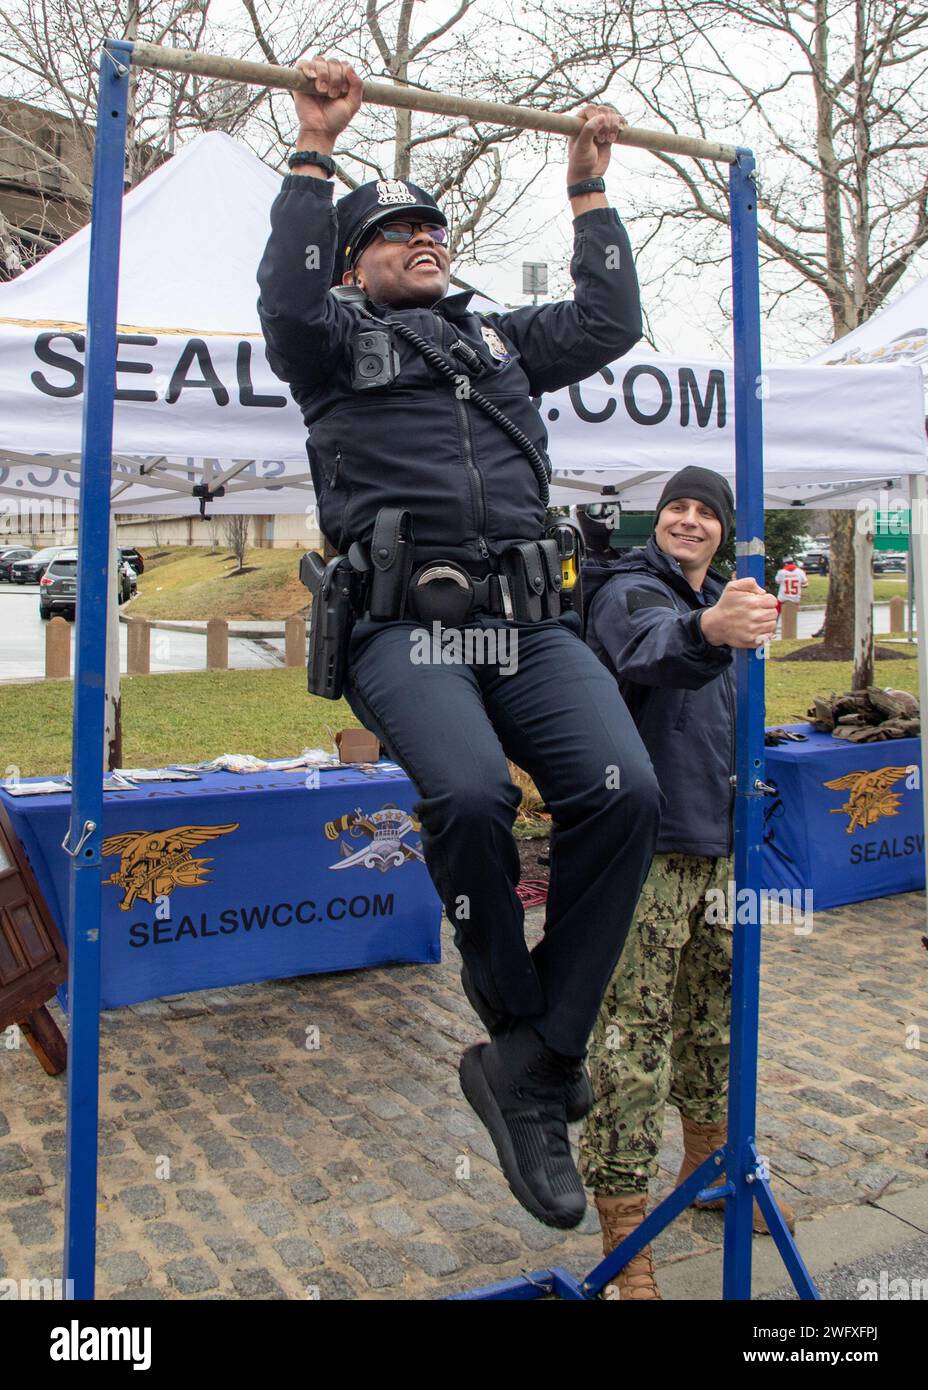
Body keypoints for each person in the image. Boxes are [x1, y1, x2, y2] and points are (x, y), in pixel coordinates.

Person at [256, 55, 662, 1231]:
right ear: (352, 264)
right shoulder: (327, 343)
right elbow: (284, 297)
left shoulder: (497, 345)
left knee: (622, 791)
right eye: (391, 233)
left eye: (431, 227)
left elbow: (608, 317)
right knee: (477, 799)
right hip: (407, 628)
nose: (421, 238)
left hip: (530, 624)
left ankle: (536, 1059)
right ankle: (519, 1021)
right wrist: (313, 149)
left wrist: (587, 191)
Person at [576, 467, 794, 1299]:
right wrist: (711, 624)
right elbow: (654, 647)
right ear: (655, 521)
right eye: (678, 508)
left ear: (726, 529)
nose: (690, 521)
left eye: (707, 512)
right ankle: (627, 1239)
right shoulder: (628, 590)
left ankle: (708, 1173)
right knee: (632, 1039)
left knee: (718, 1023)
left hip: (725, 847)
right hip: (648, 849)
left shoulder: (739, 604)